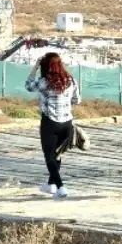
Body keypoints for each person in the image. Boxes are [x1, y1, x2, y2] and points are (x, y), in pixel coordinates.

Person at [26, 52, 82, 199]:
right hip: (67, 122)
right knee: (57, 154)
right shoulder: (71, 80)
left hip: (50, 122)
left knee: (49, 156)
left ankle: (60, 187)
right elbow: (77, 100)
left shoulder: (44, 82)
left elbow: (29, 86)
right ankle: (51, 184)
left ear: (45, 66)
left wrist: (35, 67)